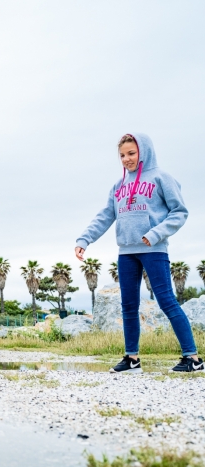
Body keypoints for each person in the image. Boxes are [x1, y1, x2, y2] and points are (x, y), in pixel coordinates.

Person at [75, 133, 202, 373]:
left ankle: (193, 358)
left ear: (144, 151)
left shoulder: (161, 178)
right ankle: (132, 359)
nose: (126, 159)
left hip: (154, 249)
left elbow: (179, 212)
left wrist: (155, 233)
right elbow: (105, 215)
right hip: (126, 253)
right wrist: (85, 239)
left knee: (167, 301)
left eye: (131, 153)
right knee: (129, 305)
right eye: (122, 155)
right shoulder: (118, 186)